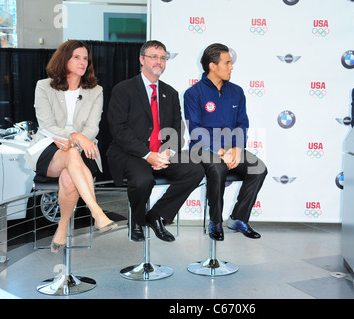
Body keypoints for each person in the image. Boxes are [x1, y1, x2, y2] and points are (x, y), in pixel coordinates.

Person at [107, 40, 204, 242]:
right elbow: (119, 130)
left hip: (162, 153)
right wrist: (147, 155)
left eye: (162, 58)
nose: (158, 62)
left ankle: (157, 215)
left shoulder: (171, 93)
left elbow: (176, 129)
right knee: (143, 180)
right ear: (142, 60)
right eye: (153, 57)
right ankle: (136, 219)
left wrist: (167, 152)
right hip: (132, 153)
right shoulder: (123, 89)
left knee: (195, 170)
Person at [25, 40, 117, 253]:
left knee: (69, 175)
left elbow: (93, 128)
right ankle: (97, 212)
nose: (82, 62)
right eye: (76, 57)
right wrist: (75, 136)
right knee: (72, 154)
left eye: (85, 58)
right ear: (64, 58)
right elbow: (47, 125)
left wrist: (77, 140)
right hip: (48, 147)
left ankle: (62, 226)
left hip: (82, 149)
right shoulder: (44, 86)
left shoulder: (96, 91)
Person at [184, 43, 267, 241]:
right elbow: (196, 130)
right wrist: (222, 152)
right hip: (202, 150)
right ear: (213, 66)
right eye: (227, 63)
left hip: (232, 148)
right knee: (218, 168)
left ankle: (239, 218)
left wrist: (237, 149)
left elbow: (242, 123)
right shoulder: (193, 94)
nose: (231, 67)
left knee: (258, 168)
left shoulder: (237, 92)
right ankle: (216, 222)